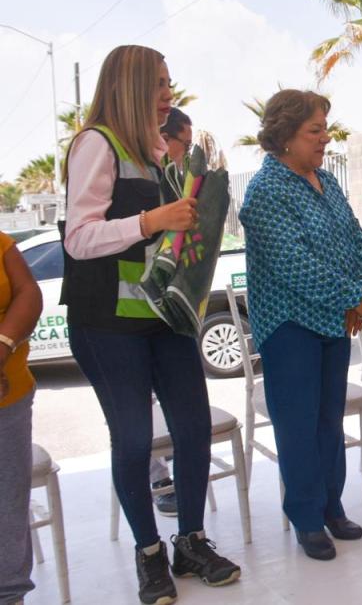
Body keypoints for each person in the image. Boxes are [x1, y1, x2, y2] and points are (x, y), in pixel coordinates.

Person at [61, 45, 240, 604]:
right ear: (131, 85)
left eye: (169, 82)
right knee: (135, 439)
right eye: (160, 83)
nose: (169, 93)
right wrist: (151, 220)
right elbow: (78, 238)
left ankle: (191, 541)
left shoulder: (162, 152)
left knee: (193, 428)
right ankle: (148, 553)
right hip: (107, 323)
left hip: (165, 316)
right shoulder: (96, 144)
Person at [239, 89, 362, 561]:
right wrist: (354, 296)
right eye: (315, 131)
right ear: (285, 135)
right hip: (290, 326)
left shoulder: (326, 180)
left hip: (333, 319)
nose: (325, 139)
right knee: (298, 425)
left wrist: (359, 293)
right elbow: (293, 263)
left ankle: (331, 507)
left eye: (325, 129)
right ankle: (306, 518)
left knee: (328, 419)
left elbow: (355, 239)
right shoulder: (266, 191)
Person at [149, 106, 194, 519]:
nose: (188, 153)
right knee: (140, 411)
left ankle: (186, 487)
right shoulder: (148, 183)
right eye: (186, 144)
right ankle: (158, 478)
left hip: (173, 314)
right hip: (136, 315)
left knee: (187, 415)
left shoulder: (178, 183)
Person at [0, 231, 43, 605]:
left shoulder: (2, 245)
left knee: (8, 509)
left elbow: (28, 293)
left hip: (9, 398)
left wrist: (2, 347)